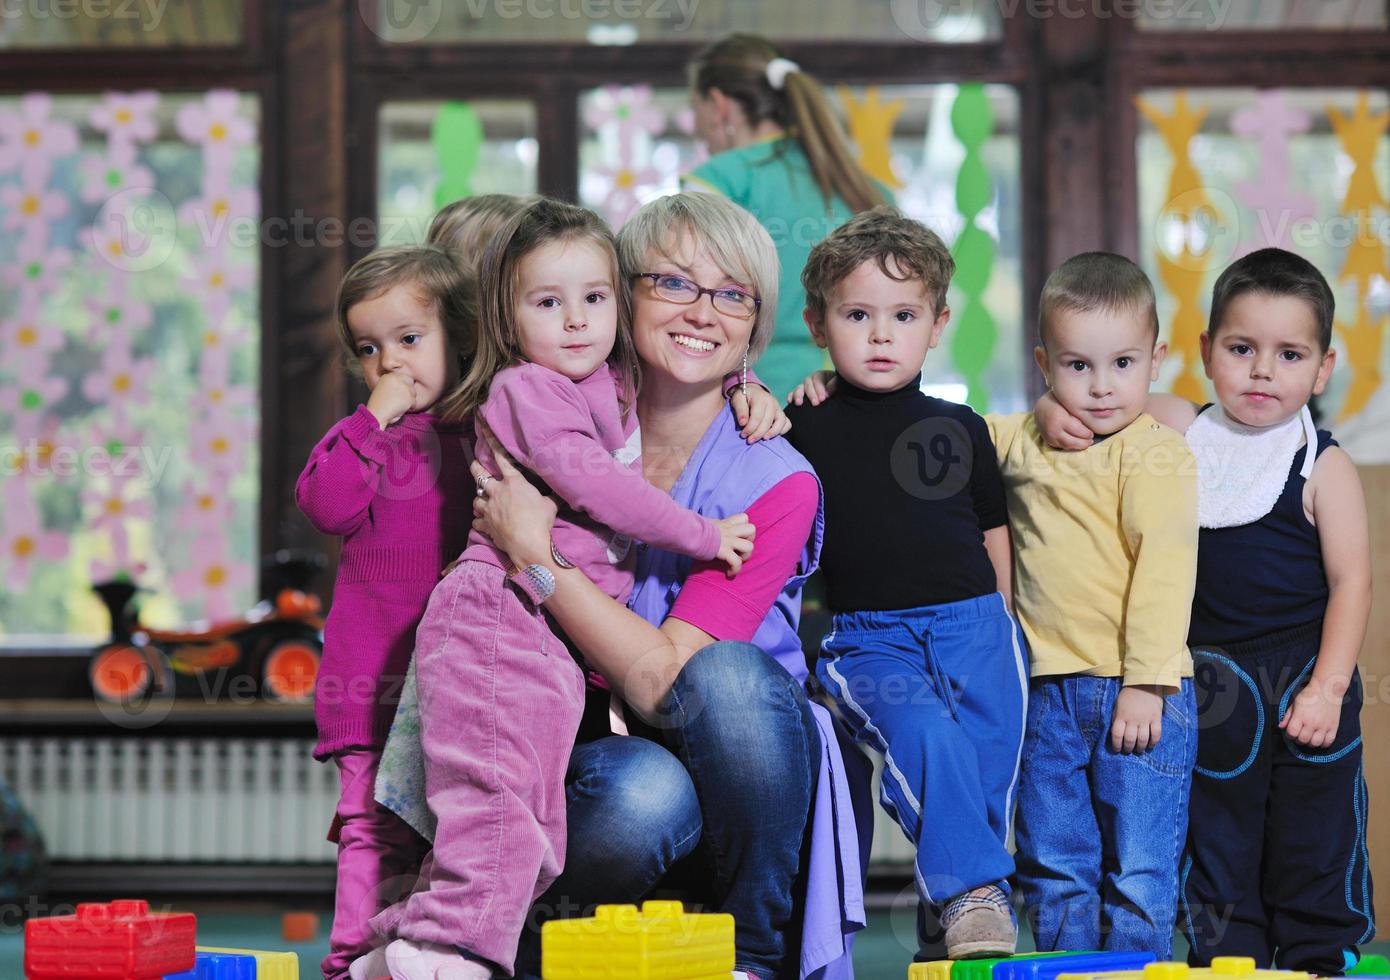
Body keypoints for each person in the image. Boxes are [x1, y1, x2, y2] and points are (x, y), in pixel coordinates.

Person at [471, 192, 868, 980]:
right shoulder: (567, 410)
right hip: (597, 733)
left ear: (755, 326)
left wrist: (534, 559)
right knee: (642, 798)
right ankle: (508, 952)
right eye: (675, 284)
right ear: (625, 296)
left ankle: (753, 955)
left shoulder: (778, 478)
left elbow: (662, 683)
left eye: (732, 294)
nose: (703, 311)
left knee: (724, 674)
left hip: (741, 744)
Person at [366, 199, 757, 980]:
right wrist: (705, 535)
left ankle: (409, 943)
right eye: (549, 303)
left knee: (534, 805)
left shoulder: (606, 377)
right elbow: (600, 489)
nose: (577, 321)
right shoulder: (526, 388)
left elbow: (686, 358)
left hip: (545, 620)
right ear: (509, 320)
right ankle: (447, 945)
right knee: (495, 793)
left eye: (595, 298)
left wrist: (751, 384)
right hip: (498, 609)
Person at [1040, 248, 1374, 972]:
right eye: (1241, 348)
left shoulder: (1323, 464)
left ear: (1322, 369)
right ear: (1203, 352)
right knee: (1216, 837)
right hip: (1206, 677)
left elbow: (1352, 583)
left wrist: (1329, 688)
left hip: (1301, 679)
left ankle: (1323, 954)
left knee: (1313, 836)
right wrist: (1046, 407)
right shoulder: (1180, 425)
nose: (1262, 370)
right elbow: (1095, 401)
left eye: (1289, 355)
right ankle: (1233, 960)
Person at [783, 208, 1028, 959]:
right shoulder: (803, 423)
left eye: (903, 315)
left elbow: (993, 529)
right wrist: (767, 394)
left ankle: (947, 938)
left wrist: (1005, 623)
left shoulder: (964, 427)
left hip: (979, 629)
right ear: (818, 325)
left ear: (938, 323)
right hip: (869, 639)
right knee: (928, 743)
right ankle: (972, 896)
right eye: (858, 314)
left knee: (982, 786)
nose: (881, 334)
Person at [295, 245, 476, 980]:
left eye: (409, 339)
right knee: (373, 832)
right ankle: (348, 964)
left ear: (459, 337)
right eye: (369, 349)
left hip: (458, 690)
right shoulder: (361, 443)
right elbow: (325, 505)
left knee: (454, 835)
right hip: (371, 689)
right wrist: (370, 421)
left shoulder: (490, 434)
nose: (390, 363)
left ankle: (424, 957)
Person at [683, 33, 890, 399]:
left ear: (718, 106)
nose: (698, 130)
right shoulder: (867, 189)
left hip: (745, 394)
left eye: (695, 111)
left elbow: (686, 290)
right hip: (858, 393)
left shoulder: (719, 179)